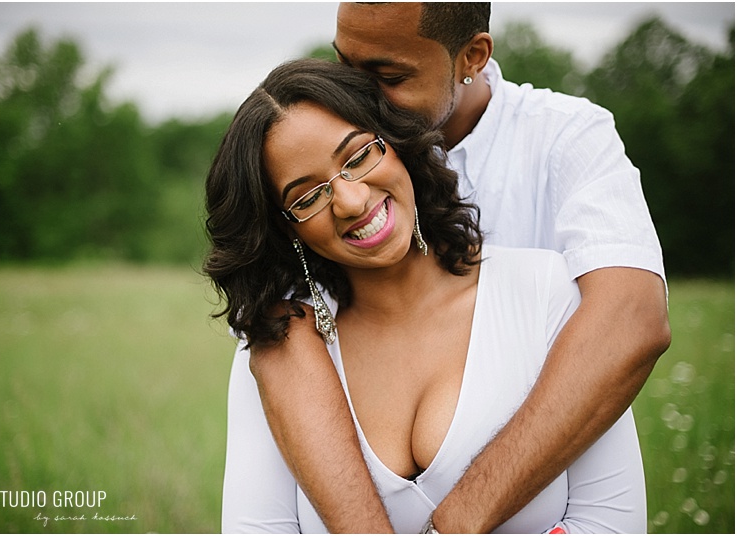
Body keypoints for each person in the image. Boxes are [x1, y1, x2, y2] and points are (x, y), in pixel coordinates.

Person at [244, 2, 671, 533]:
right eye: (343, 66)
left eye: (387, 75)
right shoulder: (326, 171)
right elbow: (277, 332)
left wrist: (461, 520)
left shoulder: (565, 140)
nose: (355, 96)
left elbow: (630, 320)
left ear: (472, 56)